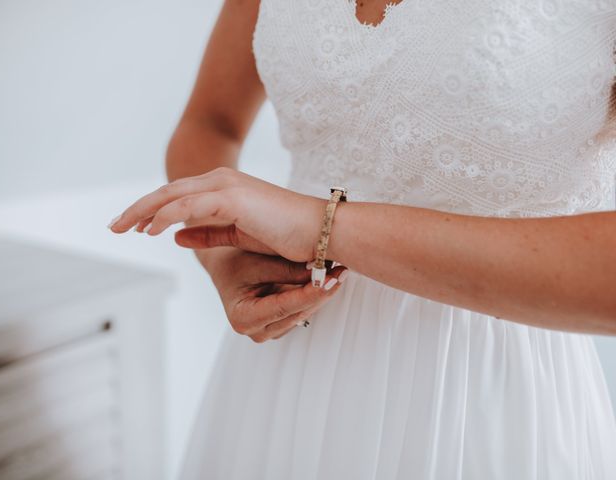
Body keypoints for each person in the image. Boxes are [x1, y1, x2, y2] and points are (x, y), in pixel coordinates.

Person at [109, 0, 616, 477]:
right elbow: (209, 121)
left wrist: (319, 226)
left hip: (483, 391)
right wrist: (225, 258)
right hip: (285, 367)